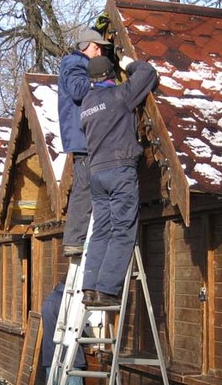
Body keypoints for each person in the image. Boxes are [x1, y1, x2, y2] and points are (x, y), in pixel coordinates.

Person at [79, 56, 157, 307]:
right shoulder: (119, 96)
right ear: (111, 75)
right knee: (123, 229)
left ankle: (89, 289)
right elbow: (148, 72)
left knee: (101, 229)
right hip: (119, 170)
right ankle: (107, 290)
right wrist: (130, 63)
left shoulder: (86, 105)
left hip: (96, 174)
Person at [58, 29, 111, 258]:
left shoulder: (77, 63)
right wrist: (103, 84)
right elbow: (79, 91)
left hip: (84, 135)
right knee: (84, 187)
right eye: (96, 46)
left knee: (89, 184)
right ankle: (74, 240)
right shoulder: (75, 63)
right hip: (82, 137)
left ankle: (79, 237)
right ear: (86, 45)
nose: (99, 50)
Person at [41, 282, 85, 384]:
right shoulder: (67, 301)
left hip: (50, 358)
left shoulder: (49, 299)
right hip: (70, 359)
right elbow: (75, 327)